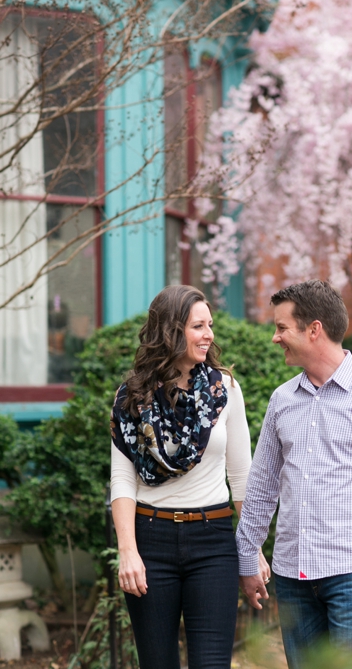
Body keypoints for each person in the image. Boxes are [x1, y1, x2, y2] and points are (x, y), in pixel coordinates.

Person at [236, 280, 352, 667]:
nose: (275, 338)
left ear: (314, 329)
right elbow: (261, 486)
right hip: (290, 577)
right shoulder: (281, 400)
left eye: (282, 328)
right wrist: (247, 555)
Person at [109, 285, 270, 669]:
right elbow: (122, 481)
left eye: (209, 325)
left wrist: (251, 550)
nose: (209, 335)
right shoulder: (131, 397)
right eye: (198, 326)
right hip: (151, 540)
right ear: (170, 331)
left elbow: (241, 477)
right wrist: (128, 551)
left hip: (212, 541)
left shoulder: (225, 390)